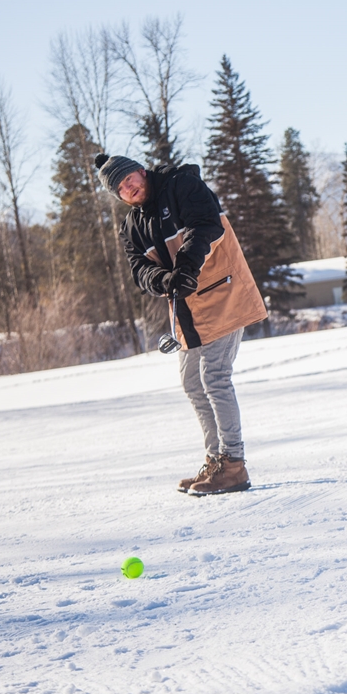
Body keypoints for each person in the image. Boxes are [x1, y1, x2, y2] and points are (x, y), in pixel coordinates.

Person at [97, 153, 268, 494]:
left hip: (223, 292)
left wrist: (186, 267)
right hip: (185, 309)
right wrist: (163, 280)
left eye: (129, 178)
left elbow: (208, 225)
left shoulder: (181, 185)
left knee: (214, 377)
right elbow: (139, 271)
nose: (128, 188)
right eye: (120, 189)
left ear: (141, 171)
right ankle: (215, 460)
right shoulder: (132, 227)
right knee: (192, 382)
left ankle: (234, 464)